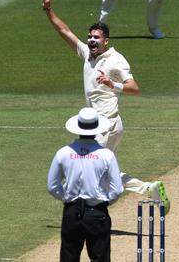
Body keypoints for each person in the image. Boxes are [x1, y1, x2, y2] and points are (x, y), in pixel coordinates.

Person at [40, 0, 170, 214]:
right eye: (90, 36)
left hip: (107, 123)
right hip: (99, 124)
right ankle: (149, 189)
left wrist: (113, 85)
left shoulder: (116, 60)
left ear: (106, 41)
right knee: (101, 168)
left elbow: (134, 88)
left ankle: (94, 210)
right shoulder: (87, 55)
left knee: (92, 166)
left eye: (96, 37)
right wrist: (49, 10)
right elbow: (65, 32)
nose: (91, 40)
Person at [47, 107, 123, 261]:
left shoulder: (63, 152)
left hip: (71, 213)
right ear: (97, 129)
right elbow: (116, 190)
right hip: (97, 214)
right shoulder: (106, 155)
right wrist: (103, 201)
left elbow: (53, 186)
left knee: (69, 258)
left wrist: (67, 199)